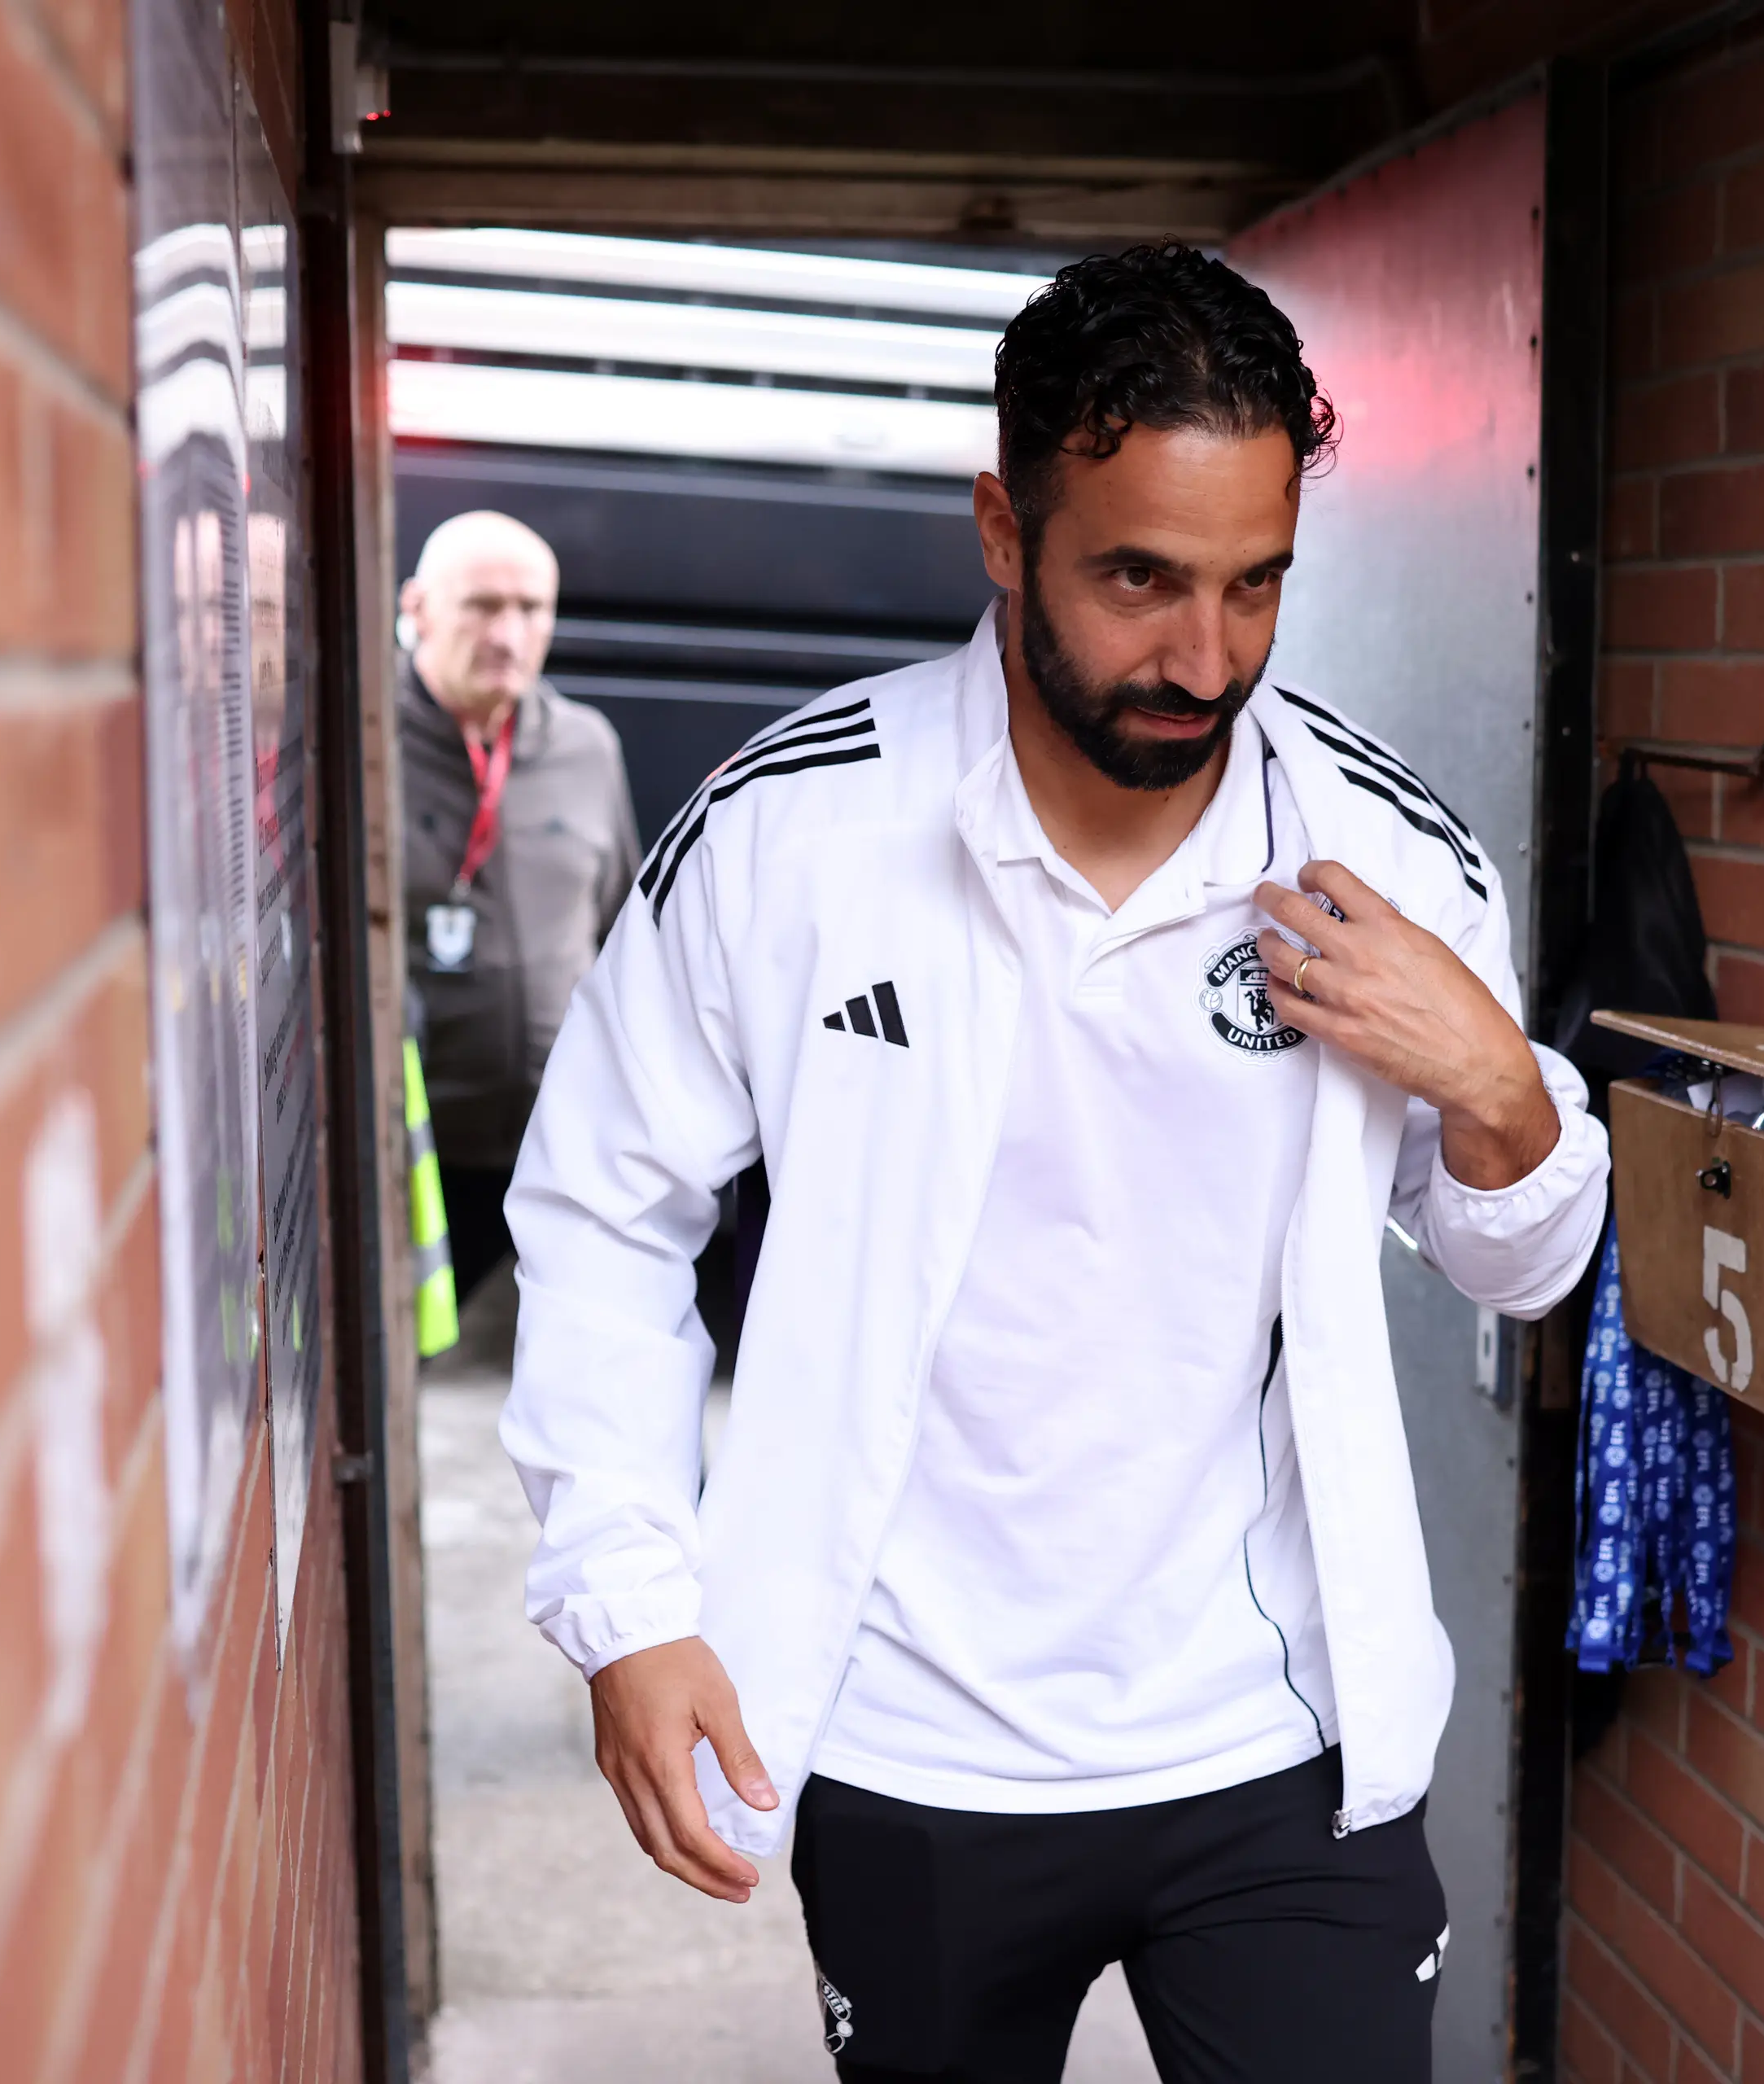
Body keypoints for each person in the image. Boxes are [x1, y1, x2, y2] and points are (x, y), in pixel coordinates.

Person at [499, 245, 1612, 2084]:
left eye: (1256, 584)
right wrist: (627, 1604)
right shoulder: (794, 834)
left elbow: (1523, 1260)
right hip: (905, 1742)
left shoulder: (1383, 853)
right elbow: (605, 1206)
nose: (1205, 658)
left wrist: (1499, 1089)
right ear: (1000, 530)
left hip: (1279, 1741)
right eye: (1138, 579)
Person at [398, 509, 637, 1298]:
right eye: (482, 605)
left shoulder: (585, 746)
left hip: (558, 1150)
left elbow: (616, 930)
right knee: (409, 1359)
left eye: (531, 609)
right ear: (418, 609)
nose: (509, 632)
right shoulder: (362, 740)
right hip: (421, 1158)